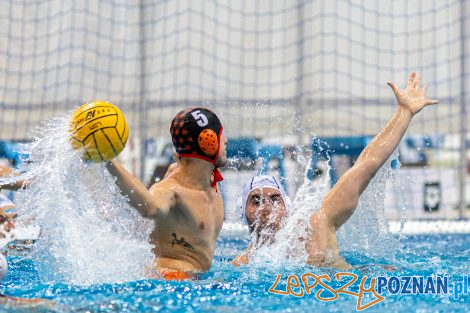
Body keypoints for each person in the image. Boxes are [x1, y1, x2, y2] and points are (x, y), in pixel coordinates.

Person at [233, 73, 439, 269]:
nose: (266, 205)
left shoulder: (316, 225)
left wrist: (403, 113)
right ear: (244, 213)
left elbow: (365, 166)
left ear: (287, 207)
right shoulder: (242, 264)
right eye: (256, 201)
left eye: (275, 198)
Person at [106, 107, 228, 280]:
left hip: (196, 281)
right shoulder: (171, 190)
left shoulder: (209, 180)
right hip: (170, 282)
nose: (226, 140)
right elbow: (150, 207)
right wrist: (108, 160)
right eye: (220, 133)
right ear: (208, 141)